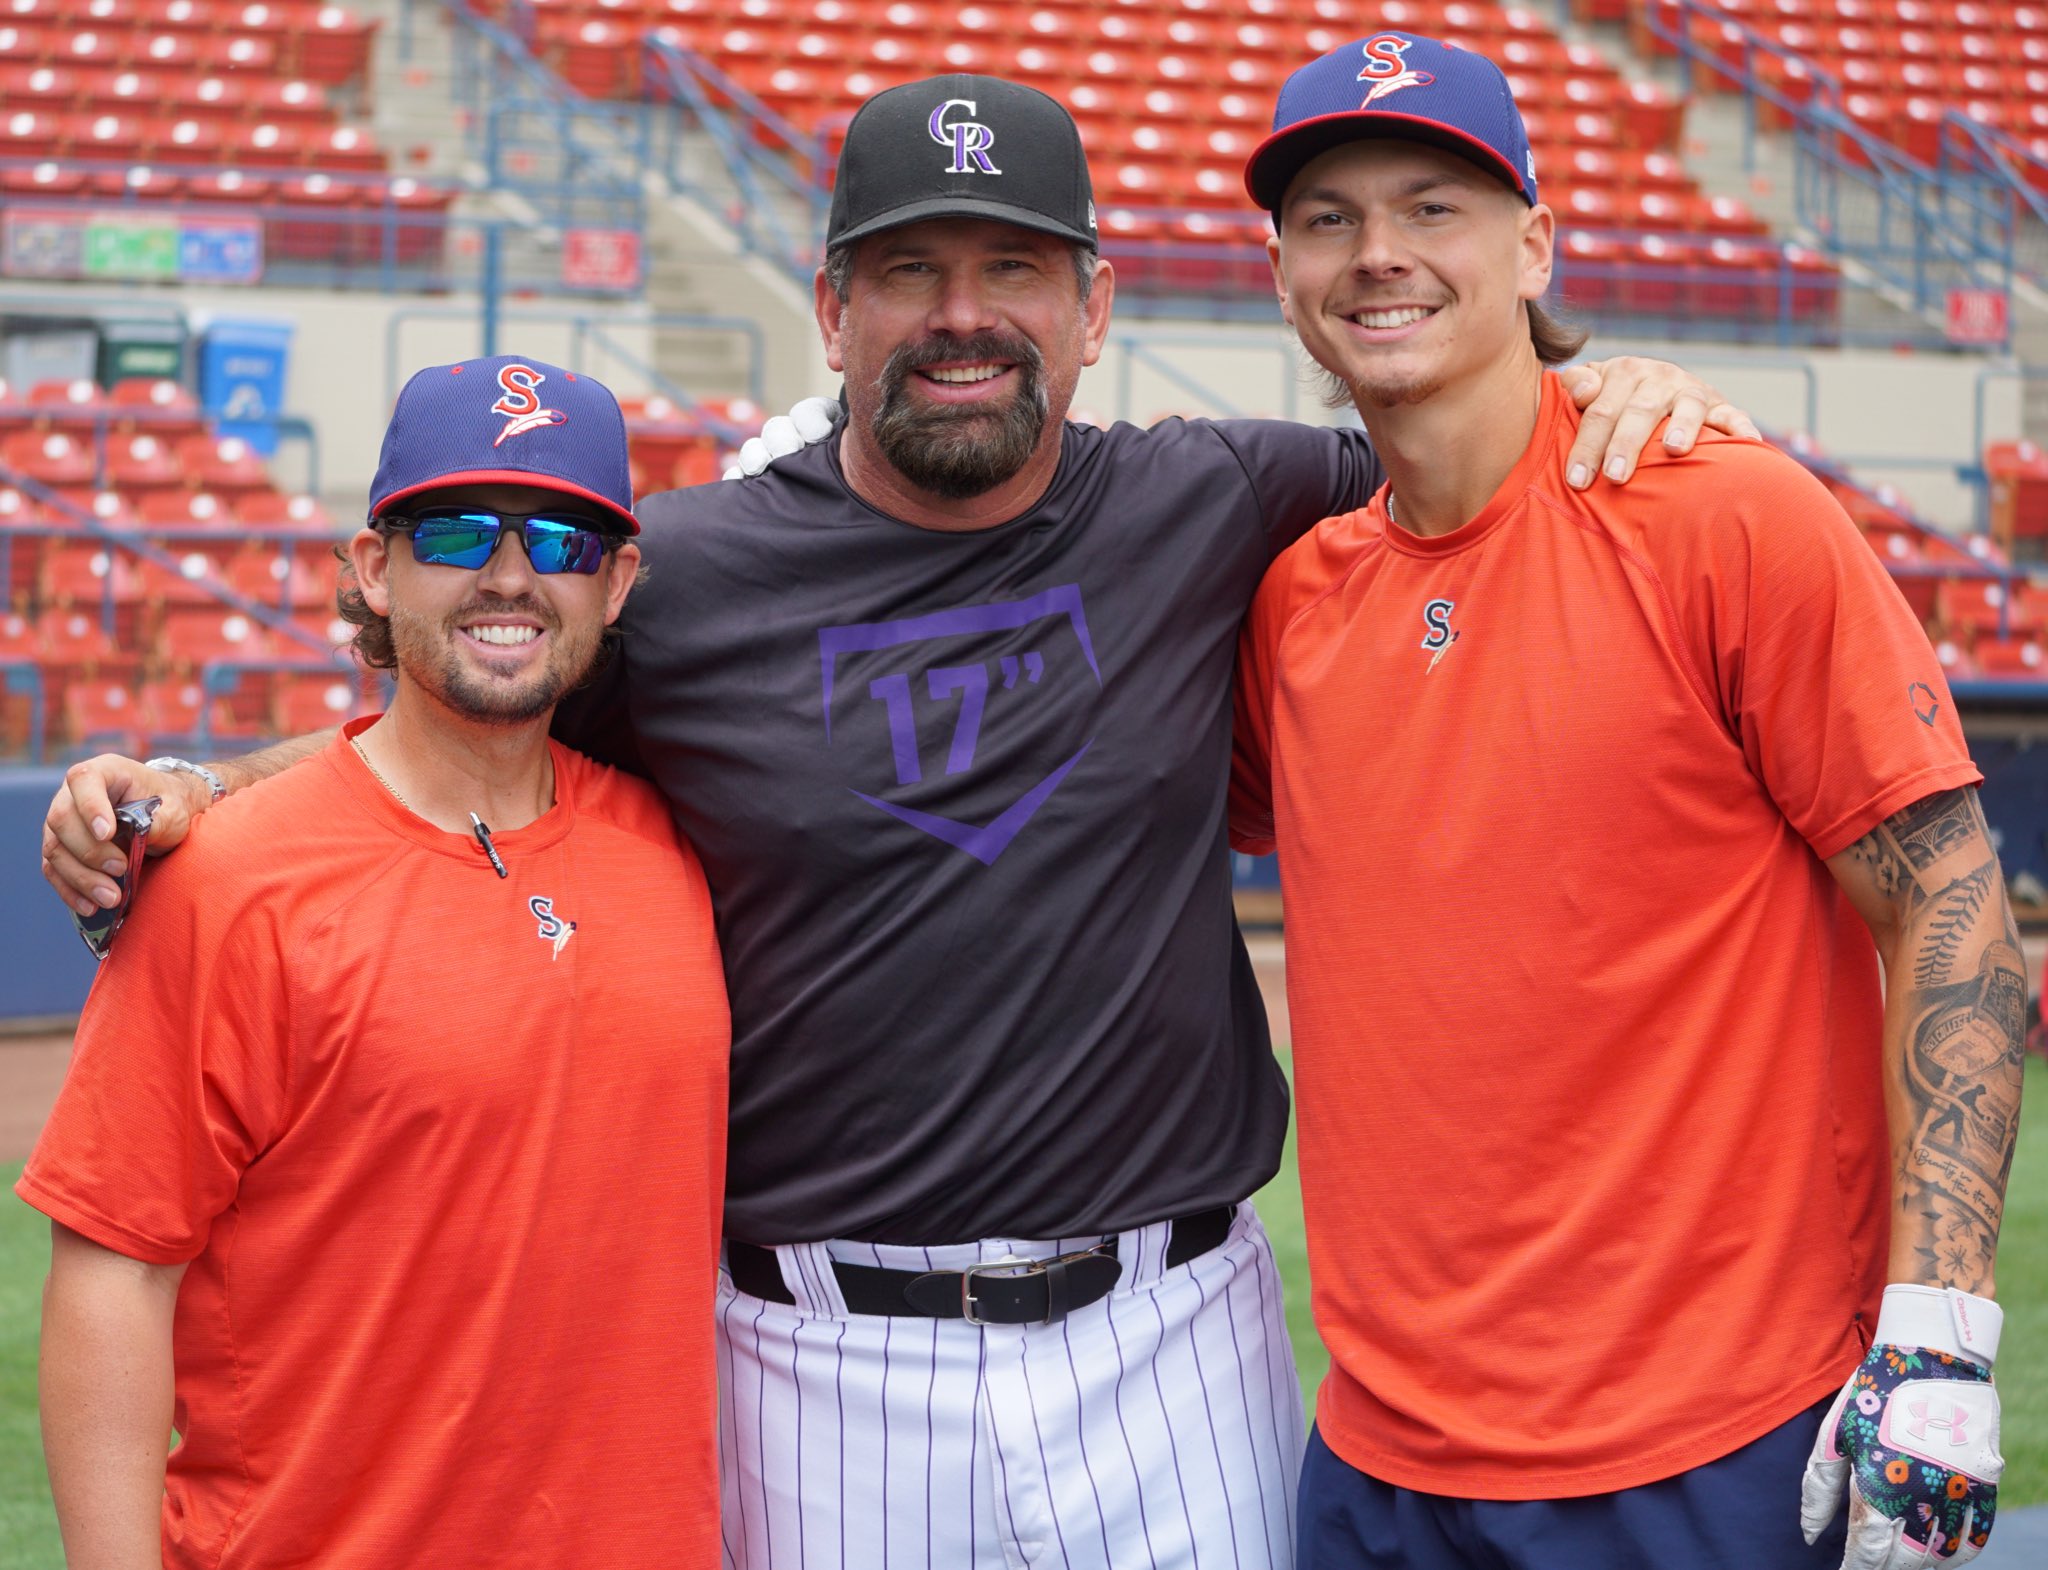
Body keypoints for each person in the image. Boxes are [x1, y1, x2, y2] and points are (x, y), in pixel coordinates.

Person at [40, 78, 1754, 1570]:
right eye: (906, 271)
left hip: (1172, 1339)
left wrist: (1598, 379)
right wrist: (204, 789)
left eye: (1010, 267)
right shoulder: (683, 576)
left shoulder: (1223, 499)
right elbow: (459, 696)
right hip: (818, 1366)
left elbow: (1468, 451)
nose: (961, 313)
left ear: (1090, 305)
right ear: (832, 309)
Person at [1230, 34, 2024, 1570]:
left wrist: (1938, 1337)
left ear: (1535, 242)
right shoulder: (1294, 598)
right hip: (1379, 1454)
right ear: (1279, 271)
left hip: (1705, 1447)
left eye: (1433, 206)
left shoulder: (1720, 508)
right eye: (1328, 216)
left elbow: (1950, 890)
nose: (1379, 252)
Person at [19, 356, 730, 1570]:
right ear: (370, 566)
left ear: (615, 585)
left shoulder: (680, 846)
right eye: (457, 532)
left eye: (561, 541)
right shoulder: (230, 880)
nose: (510, 575)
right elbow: (115, 1272)